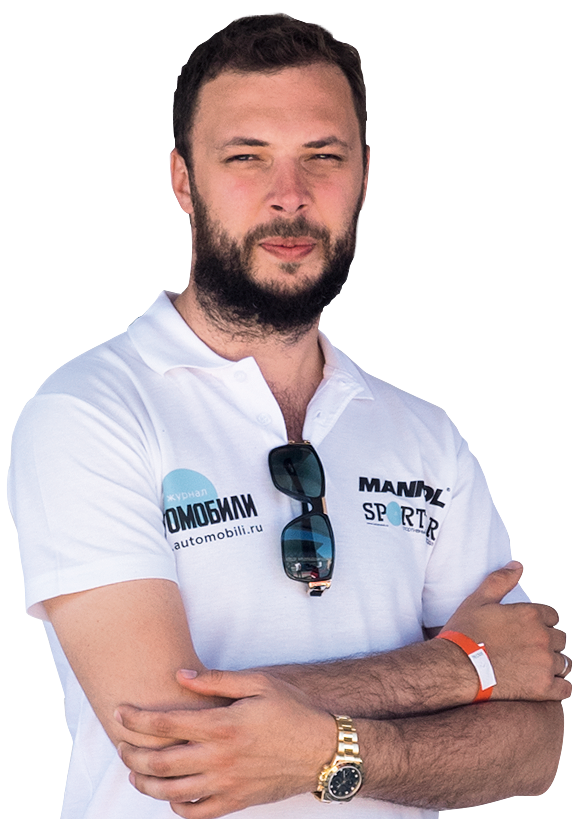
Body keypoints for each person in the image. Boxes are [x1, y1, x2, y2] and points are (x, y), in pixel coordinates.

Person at [7, 13, 571, 819]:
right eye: (246, 157)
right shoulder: (92, 412)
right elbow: (166, 734)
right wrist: (459, 669)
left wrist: (319, 748)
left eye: (323, 156)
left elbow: (532, 738)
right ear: (182, 179)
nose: (290, 194)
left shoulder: (425, 439)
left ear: (364, 174)